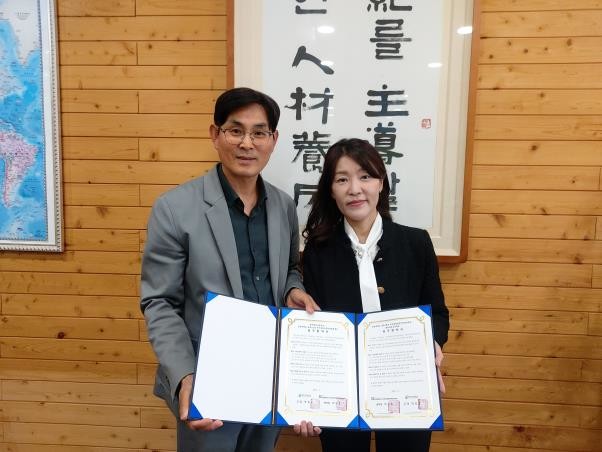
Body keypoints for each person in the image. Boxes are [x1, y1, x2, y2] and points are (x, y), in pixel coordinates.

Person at [140, 87, 319, 452]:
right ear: (215, 134)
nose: (247, 143)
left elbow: (289, 268)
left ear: (273, 140)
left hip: (270, 377)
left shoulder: (283, 206)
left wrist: (292, 289)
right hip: (208, 381)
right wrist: (185, 376)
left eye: (259, 133)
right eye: (235, 130)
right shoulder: (175, 208)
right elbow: (160, 302)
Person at [300, 138, 450, 452]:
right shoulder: (317, 251)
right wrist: (306, 394)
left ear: (381, 183)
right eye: (342, 179)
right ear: (331, 190)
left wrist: (431, 344)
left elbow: (438, 313)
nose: (355, 189)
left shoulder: (415, 243)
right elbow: (312, 329)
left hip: (406, 387)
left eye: (365, 176)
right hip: (340, 391)